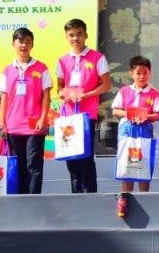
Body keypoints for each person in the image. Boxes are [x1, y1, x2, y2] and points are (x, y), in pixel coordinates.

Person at [55, 18, 112, 194]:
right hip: (68, 116)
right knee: (71, 158)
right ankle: (76, 196)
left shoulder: (97, 57)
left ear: (86, 35)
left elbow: (106, 85)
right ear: (66, 37)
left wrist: (86, 95)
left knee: (85, 157)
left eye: (79, 34)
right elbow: (59, 88)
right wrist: (65, 95)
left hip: (87, 116)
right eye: (71, 35)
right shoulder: (62, 60)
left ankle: (89, 196)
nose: (75, 38)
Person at [0, 28, 52, 195]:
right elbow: (4, 98)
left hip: (34, 125)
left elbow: (46, 95)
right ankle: (20, 199)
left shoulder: (41, 68)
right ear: (13, 44)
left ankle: (33, 198)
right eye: (20, 41)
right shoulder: (7, 71)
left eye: (28, 42)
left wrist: (43, 118)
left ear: (32, 45)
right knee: (19, 165)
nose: (24, 45)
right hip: (13, 125)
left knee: (34, 165)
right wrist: (2, 122)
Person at [112, 56, 159, 193]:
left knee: (143, 164)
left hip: (144, 132)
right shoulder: (124, 91)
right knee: (126, 163)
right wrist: (130, 115)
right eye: (138, 73)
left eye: (145, 73)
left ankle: (144, 196)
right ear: (131, 74)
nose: (141, 76)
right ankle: (126, 196)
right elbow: (116, 110)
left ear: (149, 73)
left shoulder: (154, 94)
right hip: (126, 132)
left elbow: (158, 114)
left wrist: (145, 116)